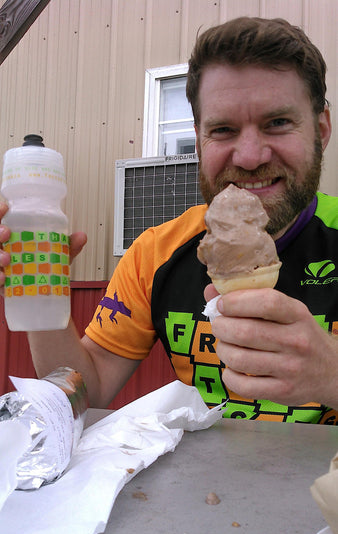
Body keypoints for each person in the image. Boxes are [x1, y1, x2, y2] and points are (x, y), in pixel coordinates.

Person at [1, 16, 338, 423]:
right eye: (224, 129)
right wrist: (42, 294)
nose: (250, 157)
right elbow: (83, 392)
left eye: (278, 123)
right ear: (199, 141)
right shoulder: (156, 252)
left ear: (320, 130)